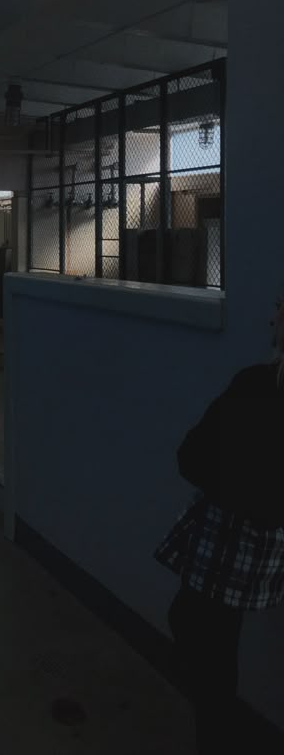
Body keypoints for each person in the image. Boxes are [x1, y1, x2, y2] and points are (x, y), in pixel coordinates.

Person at [154, 296, 284, 754]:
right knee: (212, 639)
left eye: (280, 306)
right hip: (262, 546)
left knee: (202, 638)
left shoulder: (256, 386)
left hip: (229, 540)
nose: (272, 316)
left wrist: (231, 481)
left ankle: (217, 734)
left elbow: (191, 455)